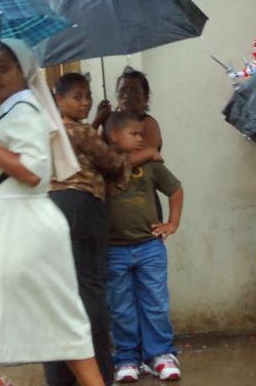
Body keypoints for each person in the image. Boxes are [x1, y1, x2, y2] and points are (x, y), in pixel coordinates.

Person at [0, 40, 104, 386]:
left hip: (19, 226)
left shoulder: (25, 110)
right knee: (29, 325)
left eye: (4, 68)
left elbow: (33, 173)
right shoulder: (13, 109)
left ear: (25, 71)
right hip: (9, 224)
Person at [44, 73, 131, 386]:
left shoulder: (49, 129)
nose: (85, 102)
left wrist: (96, 122)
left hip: (51, 210)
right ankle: (101, 374)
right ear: (59, 100)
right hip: (83, 207)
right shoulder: (78, 130)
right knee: (90, 293)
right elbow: (109, 162)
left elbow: (75, 150)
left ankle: (58, 377)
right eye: (77, 97)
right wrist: (133, 156)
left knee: (57, 295)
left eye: (87, 96)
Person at [104, 111, 184, 383]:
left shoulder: (151, 165)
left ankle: (160, 355)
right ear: (113, 136)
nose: (141, 139)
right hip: (114, 250)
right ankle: (127, 357)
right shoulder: (104, 166)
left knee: (155, 304)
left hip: (149, 247)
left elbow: (175, 189)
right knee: (121, 307)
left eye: (142, 134)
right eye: (134, 134)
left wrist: (171, 223)